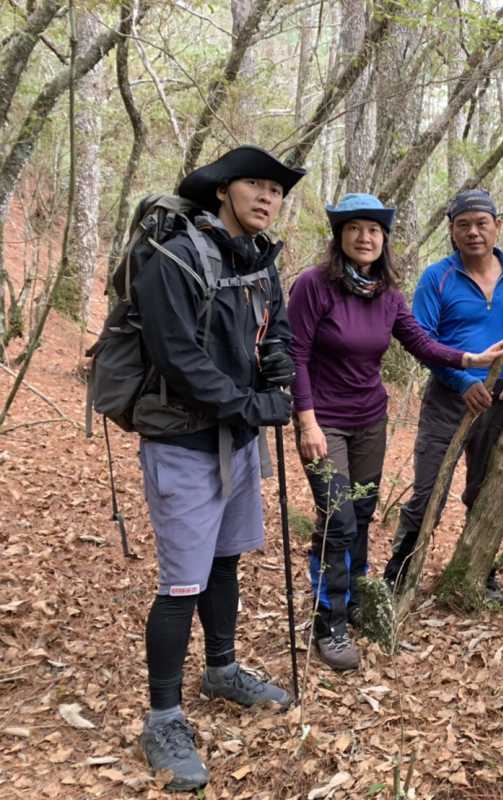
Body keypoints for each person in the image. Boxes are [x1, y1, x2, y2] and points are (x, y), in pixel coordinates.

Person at [132, 146, 305, 792]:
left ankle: (222, 669)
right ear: (223, 190)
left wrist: (280, 366)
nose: (267, 197)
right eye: (255, 186)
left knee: (225, 559)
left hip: (235, 433)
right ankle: (162, 718)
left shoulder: (260, 261)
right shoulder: (173, 255)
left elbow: (277, 330)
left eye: (276, 190)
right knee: (181, 581)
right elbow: (175, 354)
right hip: (181, 437)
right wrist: (252, 402)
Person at [287, 193, 503, 670]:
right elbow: (295, 355)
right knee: (337, 518)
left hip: (370, 420)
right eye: (355, 229)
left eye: (374, 230)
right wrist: (305, 421)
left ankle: (358, 599)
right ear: (340, 236)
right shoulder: (313, 286)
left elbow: (421, 343)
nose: (365, 238)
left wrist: (470, 359)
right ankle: (329, 618)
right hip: (323, 422)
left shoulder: (385, 295)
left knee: (362, 513)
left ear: (384, 240)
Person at [382, 189, 503, 599]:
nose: (474, 232)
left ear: (497, 226)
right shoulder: (437, 277)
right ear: (452, 231)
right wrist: (463, 381)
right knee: (428, 493)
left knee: (486, 490)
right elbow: (421, 340)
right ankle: (399, 576)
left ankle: (477, 571)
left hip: (501, 403)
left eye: (481, 223)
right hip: (447, 400)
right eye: (463, 225)